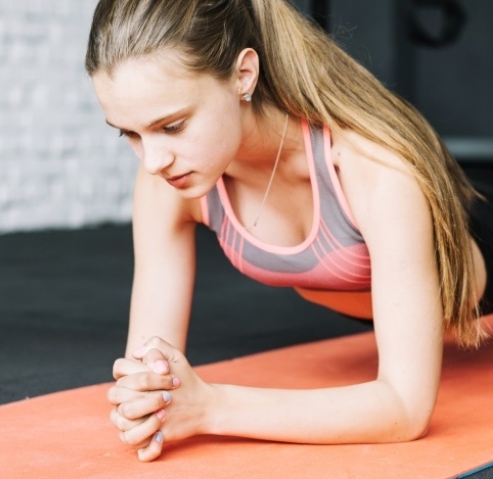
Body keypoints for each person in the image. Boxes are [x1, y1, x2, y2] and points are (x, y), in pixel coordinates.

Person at [85, 0, 491, 463]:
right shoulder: (166, 182)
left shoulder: (370, 165)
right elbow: (148, 370)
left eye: (172, 126)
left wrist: (209, 408)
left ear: (243, 75)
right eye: (130, 135)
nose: (153, 161)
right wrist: (146, 402)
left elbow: (405, 406)